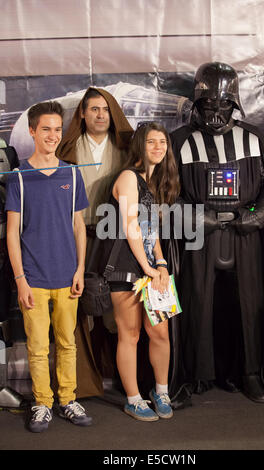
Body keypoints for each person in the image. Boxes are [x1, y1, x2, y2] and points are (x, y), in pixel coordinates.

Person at [171, 62, 264, 403]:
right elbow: (168, 195)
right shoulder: (179, 141)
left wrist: (251, 218)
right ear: (197, 103)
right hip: (198, 239)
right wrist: (200, 218)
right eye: (209, 104)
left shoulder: (253, 138)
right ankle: (198, 373)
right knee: (197, 303)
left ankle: (249, 371)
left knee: (249, 303)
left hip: (246, 238)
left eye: (223, 104)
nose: (216, 112)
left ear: (235, 103)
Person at [5, 101, 92, 432]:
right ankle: (43, 403)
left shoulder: (72, 173)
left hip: (67, 275)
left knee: (67, 343)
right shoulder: (18, 179)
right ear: (32, 131)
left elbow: (78, 226)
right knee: (38, 347)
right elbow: (12, 234)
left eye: (58, 129)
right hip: (34, 278)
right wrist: (21, 280)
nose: (53, 135)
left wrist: (80, 268)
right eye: (46, 129)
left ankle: (68, 399)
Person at [57, 87, 133, 399]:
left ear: (112, 113)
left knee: (116, 314)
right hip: (79, 239)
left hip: (116, 241)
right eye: (94, 109)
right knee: (81, 311)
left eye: (105, 109)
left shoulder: (127, 148)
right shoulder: (68, 149)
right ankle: (84, 381)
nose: (100, 115)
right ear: (83, 114)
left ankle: (119, 376)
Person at [101, 121, 180, 420]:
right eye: (151, 142)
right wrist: (146, 266)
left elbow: (152, 230)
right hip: (125, 266)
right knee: (130, 334)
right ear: (139, 145)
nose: (158, 147)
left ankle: (161, 391)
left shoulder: (153, 180)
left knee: (160, 332)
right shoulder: (128, 178)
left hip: (150, 267)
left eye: (162, 142)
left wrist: (160, 264)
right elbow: (131, 226)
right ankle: (133, 398)